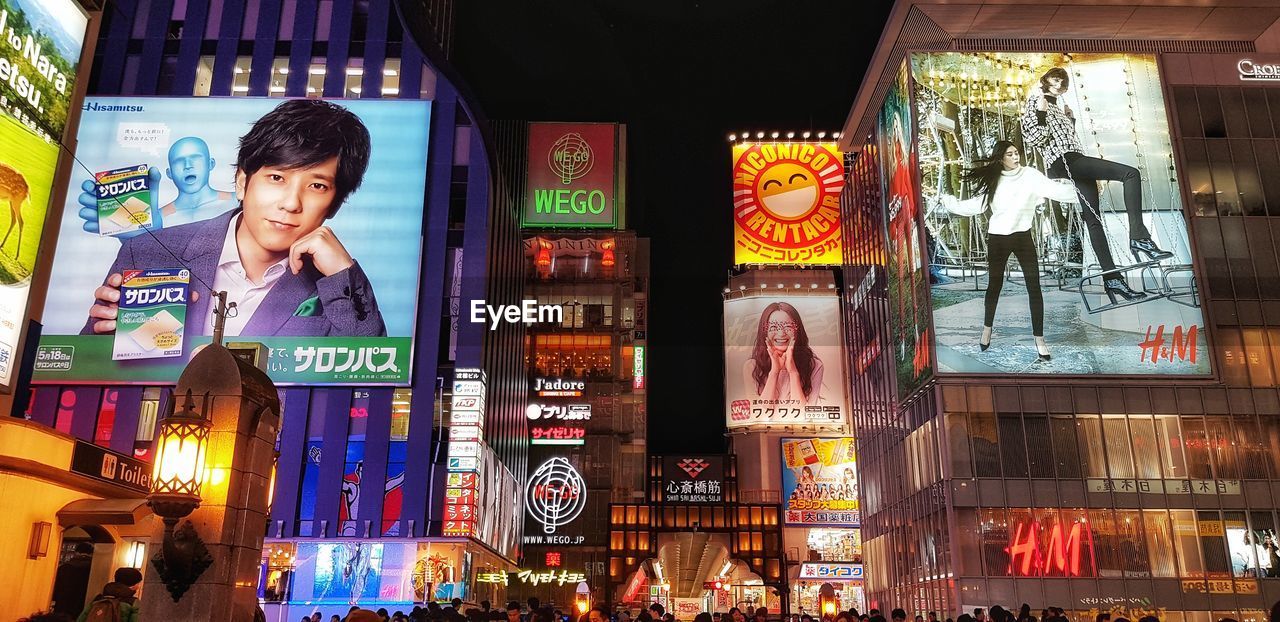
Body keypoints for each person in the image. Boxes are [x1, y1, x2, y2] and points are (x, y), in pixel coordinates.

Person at [83, 99, 385, 338]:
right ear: (242, 181)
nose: (292, 203)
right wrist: (105, 337)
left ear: (335, 204)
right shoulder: (150, 250)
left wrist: (343, 275)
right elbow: (87, 370)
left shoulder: (335, 283)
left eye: (317, 186)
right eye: (277, 177)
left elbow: (365, 379)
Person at [1021, 66, 1172, 299]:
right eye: (1055, 78)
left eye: (1063, 80)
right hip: (1065, 161)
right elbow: (1034, 138)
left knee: (1093, 220)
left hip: (1074, 159)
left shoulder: (1061, 109)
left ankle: (1113, 281)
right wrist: (1041, 113)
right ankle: (1140, 238)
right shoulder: (1035, 101)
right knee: (1130, 173)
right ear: (1045, 80)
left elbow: (1062, 138)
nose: (1060, 83)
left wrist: (1069, 121)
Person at [940, 141, 1078, 360]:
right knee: (994, 285)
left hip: (1023, 237)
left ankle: (1040, 340)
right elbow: (975, 206)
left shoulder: (1031, 176)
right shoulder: (995, 180)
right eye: (1010, 154)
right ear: (1001, 158)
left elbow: (1056, 191)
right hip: (998, 238)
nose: (1016, 157)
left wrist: (1085, 190)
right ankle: (987, 329)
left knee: (1034, 288)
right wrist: (949, 202)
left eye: (1016, 153)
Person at [743, 301, 825, 406]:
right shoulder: (751, 367)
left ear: (797, 330)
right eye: (773, 327)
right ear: (764, 332)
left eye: (787, 327)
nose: (781, 333)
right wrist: (774, 372)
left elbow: (803, 415)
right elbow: (758, 415)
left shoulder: (814, 365)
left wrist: (793, 372)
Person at [76, 567, 141, 622]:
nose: (139, 586)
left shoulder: (98, 599)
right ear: (133, 584)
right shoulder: (133, 603)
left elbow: (81, 619)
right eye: (138, 583)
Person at [51, 542, 94, 615]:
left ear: (76, 552)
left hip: (62, 604)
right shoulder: (93, 569)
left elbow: (56, 588)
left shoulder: (64, 567)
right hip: (82, 605)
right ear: (91, 554)